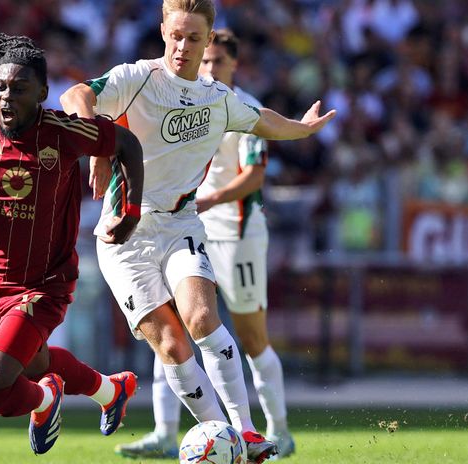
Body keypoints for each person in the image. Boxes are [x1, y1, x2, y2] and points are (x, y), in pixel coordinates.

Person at [60, 2, 335, 462]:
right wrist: (96, 141)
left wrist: (302, 130)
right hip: (124, 233)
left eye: (193, 39)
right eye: (176, 36)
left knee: (204, 319)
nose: (183, 47)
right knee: (170, 344)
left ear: (208, 40)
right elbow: (75, 94)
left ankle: (245, 435)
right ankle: (215, 434)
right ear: (162, 31)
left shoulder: (218, 98)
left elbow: (263, 118)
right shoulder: (137, 77)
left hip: (180, 224)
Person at [0, 29, 145, 455]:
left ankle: (45, 399)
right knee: (37, 365)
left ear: (42, 93)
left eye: (19, 89)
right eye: (0, 87)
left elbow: (127, 143)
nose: (6, 97)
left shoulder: (61, 131)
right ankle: (112, 391)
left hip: (42, 286)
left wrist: (130, 210)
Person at [114, 29, 295, 460]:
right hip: (186, 228)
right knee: (171, 327)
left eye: (218, 62)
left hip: (236, 233)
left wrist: (208, 200)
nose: (209, 68)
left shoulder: (244, 108)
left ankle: (279, 431)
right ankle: (164, 432)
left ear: (235, 65)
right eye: (206, 60)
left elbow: (253, 177)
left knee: (251, 337)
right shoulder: (184, 99)